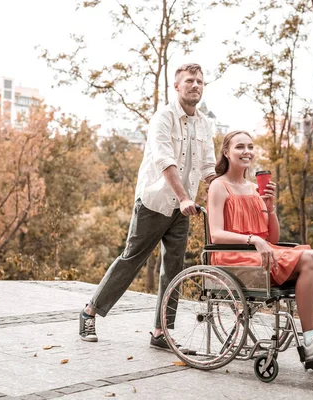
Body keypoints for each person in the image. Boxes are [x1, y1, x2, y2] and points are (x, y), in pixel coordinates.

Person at [79, 63, 216, 348]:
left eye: (200, 81)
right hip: (155, 203)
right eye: (189, 81)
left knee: (174, 270)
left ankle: (161, 331)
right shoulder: (162, 118)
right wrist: (184, 198)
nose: (195, 85)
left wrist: (227, 194)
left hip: (182, 209)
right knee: (132, 260)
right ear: (176, 86)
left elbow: (208, 168)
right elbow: (165, 162)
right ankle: (90, 310)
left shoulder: (204, 123)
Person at [207, 130, 313, 362]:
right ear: (226, 152)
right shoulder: (218, 186)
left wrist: (270, 207)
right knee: (309, 258)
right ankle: (312, 341)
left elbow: (272, 237)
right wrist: (253, 240)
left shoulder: (255, 188)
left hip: (262, 252)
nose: (247, 152)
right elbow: (216, 234)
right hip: (234, 257)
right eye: (240, 147)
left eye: (250, 147)